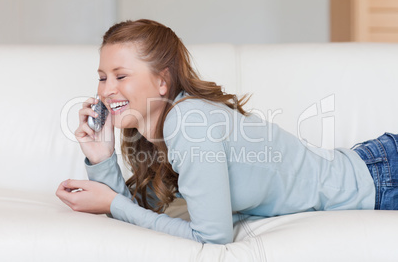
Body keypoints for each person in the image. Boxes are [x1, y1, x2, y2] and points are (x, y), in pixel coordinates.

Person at [56, 19, 398, 245]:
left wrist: (113, 202)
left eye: (121, 76)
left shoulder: (189, 123)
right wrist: (101, 157)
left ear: (162, 81)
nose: (106, 90)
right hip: (373, 166)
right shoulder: (156, 131)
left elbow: (212, 236)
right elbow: (142, 214)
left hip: (382, 179)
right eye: (102, 77)